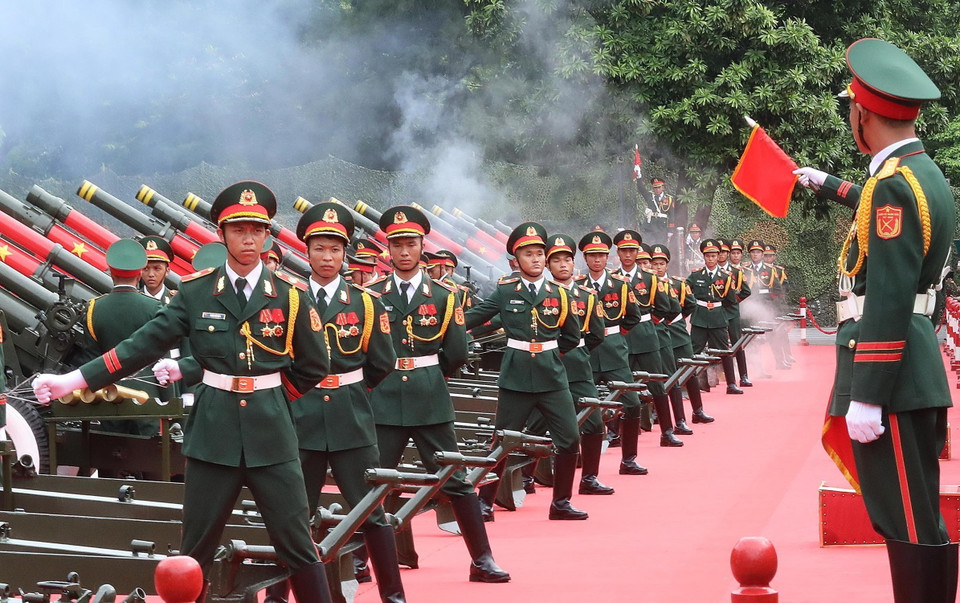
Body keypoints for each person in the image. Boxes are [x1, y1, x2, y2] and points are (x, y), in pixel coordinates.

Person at [32, 181, 334, 602]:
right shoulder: (195, 293)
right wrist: (73, 381)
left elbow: (315, 363)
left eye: (257, 230)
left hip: (273, 435)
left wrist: (276, 399)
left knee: (298, 546)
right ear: (223, 234)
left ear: (267, 235)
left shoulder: (290, 297)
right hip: (213, 434)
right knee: (195, 551)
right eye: (238, 230)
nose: (248, 239)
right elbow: (139, 347)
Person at [794, 38, 957, 601]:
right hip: (912, 364)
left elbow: (887, 291)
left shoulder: (892, 186)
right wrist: (827, 183)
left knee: (908, 520)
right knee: (915, 516)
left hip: (891, 376)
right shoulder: (918, 173)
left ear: (861, 113)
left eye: (849, 109)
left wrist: (867, 391)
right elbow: (885, 219)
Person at [265, 202, 405, 603]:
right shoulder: (287, 298)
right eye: (319, 249)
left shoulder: (365, 302)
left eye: (335, 250)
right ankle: (276, 596)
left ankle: (393, 595)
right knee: (292, 516)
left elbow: (382, 363)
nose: (327, 258)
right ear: (306, 252)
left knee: (371, 512)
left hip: (351, 419)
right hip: (300, 416)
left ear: (345, 255)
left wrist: (351, 391)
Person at [366, 205, 509, 583]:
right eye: (396, 244)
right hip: (383, 399)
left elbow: (457, 353)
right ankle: (363, 562)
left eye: (410, 243)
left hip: (430, 398)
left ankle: (482, 559)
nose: (404, 251)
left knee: (457, 480)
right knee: (374, 483)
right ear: (388, 250)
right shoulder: (370, 295)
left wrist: (431, 373)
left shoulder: (445, 296)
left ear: (421, 247)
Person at [465, 222, 589, 520]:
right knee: (503, 440)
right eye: (528, 254)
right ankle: (485, 501)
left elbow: (572, 336)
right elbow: (472, 317)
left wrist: (548, 352)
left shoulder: (559, 294)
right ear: (515, 260)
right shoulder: (506, 291)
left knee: (570, 438)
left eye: (539, 254)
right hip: (516, 376)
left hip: (551, 376)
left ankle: (561, 502)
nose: (535, 259)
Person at [73, 239, 164, 437]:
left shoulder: (93, 308)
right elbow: (163, 359)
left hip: (109, 396)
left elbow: (90, 358)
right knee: (152, 460)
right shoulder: (155, 308)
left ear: (111, 272)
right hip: (148, 397)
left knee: (112, 457)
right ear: (140, 273)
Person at [576, 231, 648, 472]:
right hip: (586, 352)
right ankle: (575, 457)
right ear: (585, 258)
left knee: (632, 403)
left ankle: (628, 459)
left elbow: (633, 317)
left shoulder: (619, 285)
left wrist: (617, 334)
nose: (597, 260)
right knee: (579, 408)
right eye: (592, 256)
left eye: (601, 255)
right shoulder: (577, 287)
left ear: (608, 258)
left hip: (614, 353)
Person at [613, 230, 683, 447]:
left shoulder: (650, 279)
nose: (627, 255)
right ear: (618, 252)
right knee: (619, 388)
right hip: (621, 337)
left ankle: (667, 431)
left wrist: (646, 322)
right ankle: (616, 433)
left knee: (657, 385)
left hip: (646, 336)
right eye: (624, 251)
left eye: (632, 251)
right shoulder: (612, 278)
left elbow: (665, 306)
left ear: (637, 252)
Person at [650, 244, 714, 425]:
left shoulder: (678, 283)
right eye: (654, 264)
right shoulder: (646, 284)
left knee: (689, 371)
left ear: (667, 264)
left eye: (661, 263)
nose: (657, 267)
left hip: (677, 333)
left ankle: (698, 410)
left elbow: (690, 305)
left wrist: (675, 320)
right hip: (658, 335)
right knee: (662, 375)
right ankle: (657, 412)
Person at [687, 239, 742, 394]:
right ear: (703, 257)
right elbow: (685, 291)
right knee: (695, 351)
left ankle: (731, 384)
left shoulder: (726, 276)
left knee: (724, 351)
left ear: (718, 256)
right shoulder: (696, 275)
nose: (710, 259)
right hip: (699, 317)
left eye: (713, 256)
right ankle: (697, 382)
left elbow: (731, 300)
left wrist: (722, 314)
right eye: (707, 256)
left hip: (718, 317)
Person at [726, 239, 752, 386]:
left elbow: (746, 291)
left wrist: (734, 300)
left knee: (737, 342)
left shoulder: (736, 272)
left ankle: (743, 375)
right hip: (716, 311)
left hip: (732, 311)